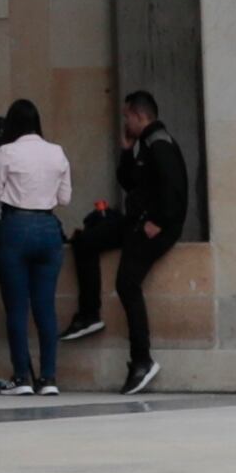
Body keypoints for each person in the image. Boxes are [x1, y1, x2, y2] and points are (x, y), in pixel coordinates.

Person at [64, 89, 190, 396]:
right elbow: (130, 181)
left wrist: (157, 222)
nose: (125, 122)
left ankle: (142, 360)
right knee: (86, 242)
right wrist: (126, 151)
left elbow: (176, 190)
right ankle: (89, 313)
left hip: (155, 228)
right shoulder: (145, 144)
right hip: (138, 221)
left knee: (127, 283)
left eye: (126, 117)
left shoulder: (160, 144)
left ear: (138, 115)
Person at [0, 97, 71, 395]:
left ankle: (22, 377)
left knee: (16, 308)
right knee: (45, 307)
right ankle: (49, 378)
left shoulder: (6, 152)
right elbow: (65, 198)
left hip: (15, 228)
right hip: (48, 228)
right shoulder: (57, 152)